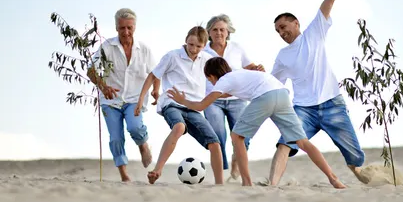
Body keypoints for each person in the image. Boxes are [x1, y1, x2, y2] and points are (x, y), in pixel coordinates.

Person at [268, 0, 369, 186]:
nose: (282, 32)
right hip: (303, 110)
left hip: (332, 104)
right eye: (277, 31)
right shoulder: (282, 56)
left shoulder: (315, 32)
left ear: (296, 24)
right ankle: (271, 186)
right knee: (284, 142)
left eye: (284, 27)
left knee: (355, 158)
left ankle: (371, 182)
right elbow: (273, 86)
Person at [167, 57, 347, 188]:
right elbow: (228, 94)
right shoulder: (238, 75)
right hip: (282, 94)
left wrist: (182, 101)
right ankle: (333, 178)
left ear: (212, 75)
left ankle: (246, 182)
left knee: (237, 136)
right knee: (302, 142)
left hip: (265, 96)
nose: (211, 83)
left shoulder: (223, 80)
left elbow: (201, 106)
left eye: (209, 79)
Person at [134, 26, 224, 185]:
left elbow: (222, 75)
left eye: (198, 46)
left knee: (215, 142)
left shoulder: (207, 59)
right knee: (179, 127)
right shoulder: (172, 56)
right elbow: (153, 76)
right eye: (191, 44)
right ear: (186, 40)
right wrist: (141, 99)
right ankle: (157, 170)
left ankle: (220, 184)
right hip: (172, 104)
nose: (194, 49)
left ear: (204, 46)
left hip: (193, 107)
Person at [87, 8, 158, 182]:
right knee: (116, 137)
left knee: (135, 127)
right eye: (122, 28)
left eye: (129, 28)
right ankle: (124, 175)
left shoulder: (144, 50)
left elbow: (156, 72)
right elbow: (91, 71)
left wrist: (156, 90)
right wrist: (103, 87)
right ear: (116, 28)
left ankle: (143, 145)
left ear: (134, 27)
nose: (126, 32)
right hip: (110, 101)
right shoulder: (107, 47)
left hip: (134, 99)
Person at [203, 14, 264, 179]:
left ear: (228, 32)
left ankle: (236, 163)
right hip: (212, 99)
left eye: (222, 29)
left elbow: (249, 66)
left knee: (243, 136)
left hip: (237, 99)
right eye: (215, 30)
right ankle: (221, 170)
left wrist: (257, 68)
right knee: (217, 134)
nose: (219, 33)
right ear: (209, 32)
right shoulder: (203, 51)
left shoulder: (237, 48)